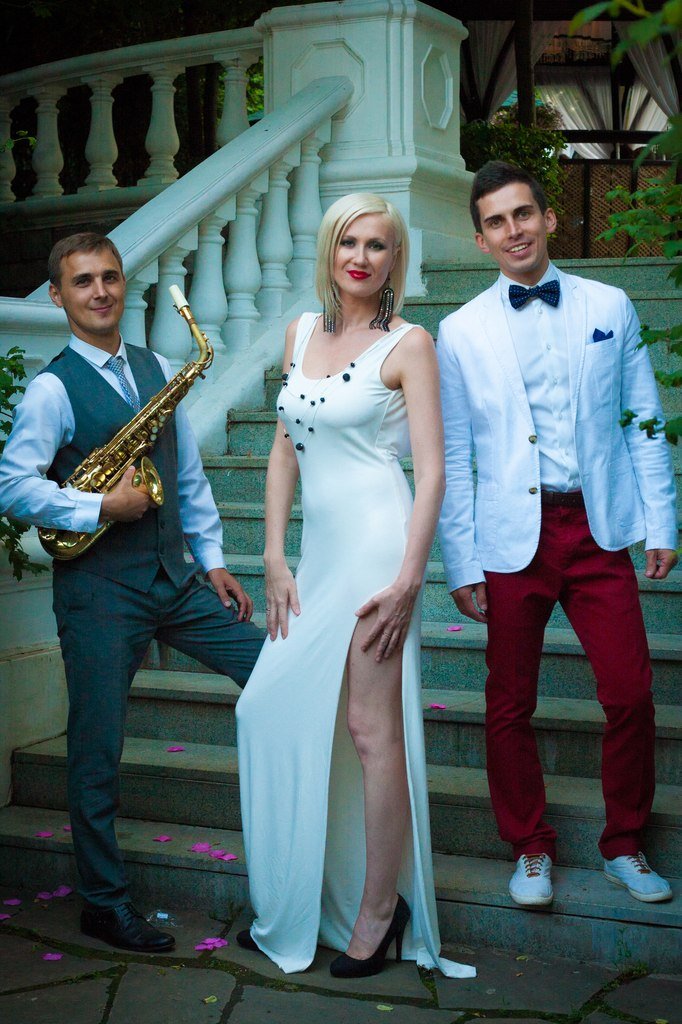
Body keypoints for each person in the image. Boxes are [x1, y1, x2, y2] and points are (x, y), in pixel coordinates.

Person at [0, 233, 264, 952]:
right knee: (96, 753)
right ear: (57, 295)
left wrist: (212, 560)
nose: (100, 292)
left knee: (272, 667)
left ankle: (292, 859)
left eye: (110, 277)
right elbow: (12, 485)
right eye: (83, 281)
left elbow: (187, 476)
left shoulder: (158, 367)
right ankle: (103, 904)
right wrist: (98, 507)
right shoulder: (52, 389)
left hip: (174, 580)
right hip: (99, 591)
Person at [235, 194, 475, 979]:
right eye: (349, 242)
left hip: (378, 551)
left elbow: (432, 472)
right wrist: (274, 556)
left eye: (378, 245)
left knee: (372, 733)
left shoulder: (409, 343)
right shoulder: (301, 331)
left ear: (395, 258)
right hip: (318, 557)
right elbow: (284, 449)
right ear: (329, 250)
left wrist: (411, 579)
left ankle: (378, 911)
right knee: (263, 706)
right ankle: (295, 896)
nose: (362, 257)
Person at [437, 161, 678, 909]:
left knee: (630, 694)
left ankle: (624, 844)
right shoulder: (458, 331)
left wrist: (661, 521)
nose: (513, 230)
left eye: (523, 214)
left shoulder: (609, 305)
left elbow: (643, 420)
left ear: (547, 218)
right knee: (509, 701)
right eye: (496, 222)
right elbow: (454, 452)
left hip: (597, 528)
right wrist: (460, 561)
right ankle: (530, 847)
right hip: (513, 538)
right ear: (481, 241)